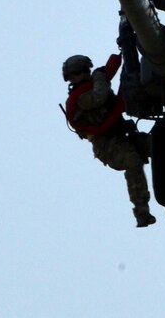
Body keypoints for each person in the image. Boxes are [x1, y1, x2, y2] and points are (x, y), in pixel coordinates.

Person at [62, 53, 154, 228]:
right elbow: (100, 96)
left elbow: (109, 76)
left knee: (160, 146)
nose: (84, 74)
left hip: (123, 136)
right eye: (78, 73)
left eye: (85, 70)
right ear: (70, 78)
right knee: (132, 162)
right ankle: (142, 211)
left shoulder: (95, 83)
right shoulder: (80, 98)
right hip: (106, 145)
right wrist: (100, 76)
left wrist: (121, 54)